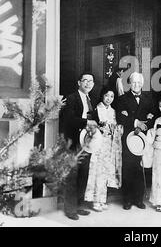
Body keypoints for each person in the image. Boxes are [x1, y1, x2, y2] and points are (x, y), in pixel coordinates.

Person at [116, 72, 157, 210]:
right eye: (134, 82)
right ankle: (127, 200)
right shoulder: (122, 98)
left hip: (143, 138)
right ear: (129, 83)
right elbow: (120, 118)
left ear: (142, 84)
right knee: (128, 167)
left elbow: (154, 116)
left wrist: (146, 123)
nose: (136, 85)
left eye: (139, 83)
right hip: (129, 137)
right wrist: (136, 122)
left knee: (140, 168)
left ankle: (139, 199)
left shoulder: (148, 98)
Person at [62, 72, 98, 220]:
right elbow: (68, 119)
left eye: (91, 81)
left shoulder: (91, 99)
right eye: (85, 81)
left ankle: (79, 205)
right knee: (72, 177)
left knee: (83, 175)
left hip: (87, 142)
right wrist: (86, 123)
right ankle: (70, 209)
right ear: (79, 82)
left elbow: (94, 118)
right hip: (74, 143)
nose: (88, 83)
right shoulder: (71, 98)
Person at [84, 87, 123, 212]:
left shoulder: (113, 111)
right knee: (97, 171)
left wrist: (116, 129)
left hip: (109, 144)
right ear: (102, 96)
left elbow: (116, 127)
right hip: (98, 143)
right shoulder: (96, 110)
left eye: (111, 96)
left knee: (105, 172)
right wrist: (99, 128)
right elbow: (90, 127)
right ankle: (95, 200)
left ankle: (102, 199)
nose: (109, 99)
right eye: (106, 96)